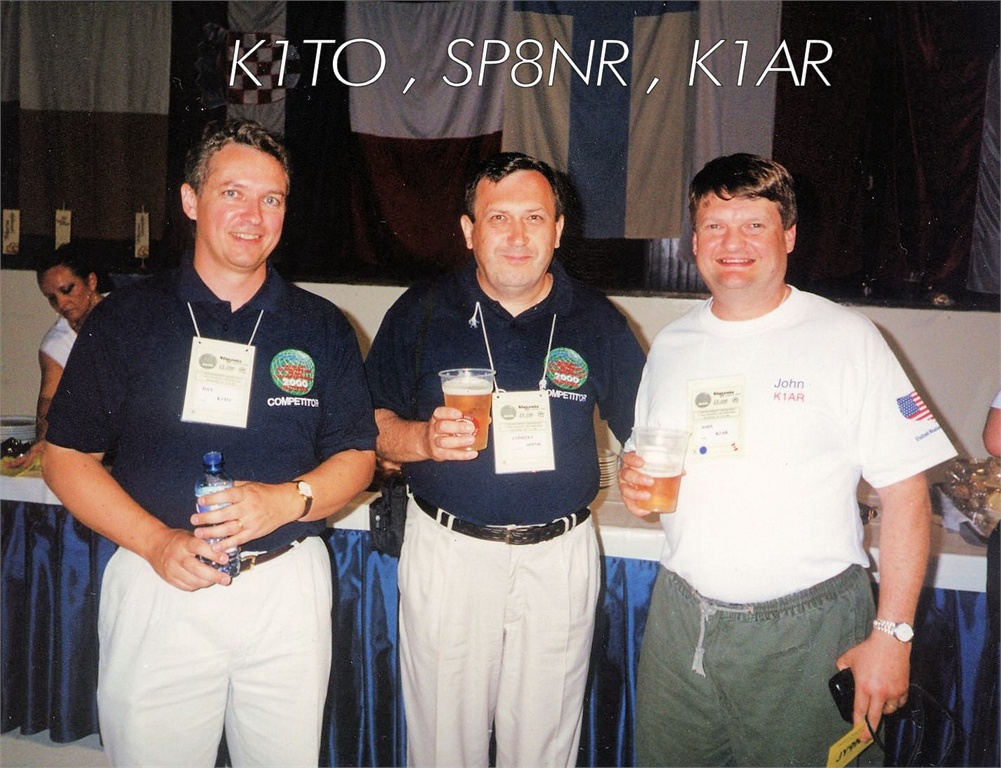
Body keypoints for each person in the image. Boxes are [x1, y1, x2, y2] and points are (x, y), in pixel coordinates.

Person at [42, 119, 377, 767]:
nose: (254, 216)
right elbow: (65, 458)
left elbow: (357, 456)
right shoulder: (126, 319)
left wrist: (287, 500)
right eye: (233, 193)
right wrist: (155, 542)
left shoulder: (321, 325)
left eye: (271, 199)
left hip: (285, 586)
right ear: (191, 200)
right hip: (159, 583)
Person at [618, 153, 958, 766]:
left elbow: (907, 494)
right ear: (694, 241)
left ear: (789, 236)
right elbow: (648, 468)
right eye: (716, 225)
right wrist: (635, 482)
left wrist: (893, 636)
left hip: (808, 630)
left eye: (755, 224)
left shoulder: (847, 338)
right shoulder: (671, 344)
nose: (733, 244)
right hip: (681, 622)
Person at [364, 151, 646, 767]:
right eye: (499, 218)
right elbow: (371, 429)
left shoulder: (598, 320)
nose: (518, 236)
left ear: (558, 229)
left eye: (534, 217)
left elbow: (646, 432)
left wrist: (644, 466)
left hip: (559, 559)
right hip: (450, 555)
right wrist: (422, 440)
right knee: (443, 747)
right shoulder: (421, 311)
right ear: (469, 230)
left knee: (545, 748)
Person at [8, 243, 105, 469]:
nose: (60, 303)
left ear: (91, 282)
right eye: (51, 297)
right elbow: (49, 400)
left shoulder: (128, 313)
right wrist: (45, 440)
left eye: (67, 290)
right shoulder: (57, 343)